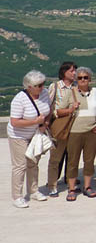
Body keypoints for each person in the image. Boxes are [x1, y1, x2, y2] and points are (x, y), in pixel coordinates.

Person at [8, 70, 51, 208]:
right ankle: (17, 196)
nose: (42, 87)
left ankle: (33, 190)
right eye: (38, 85)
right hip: (18, 135)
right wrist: (34, 122)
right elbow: (14, 121)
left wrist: (45, 124)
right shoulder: (19, 99)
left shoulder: (44, 94)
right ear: (29, 87)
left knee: (33, 163)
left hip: (35, 134)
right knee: (20, 165)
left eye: (43, 84)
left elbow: (48, 111)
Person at [58, 67, 96, 201]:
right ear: (76, 80)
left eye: (85, 77)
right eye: (80, 78)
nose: (83, 80)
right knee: (73, 161)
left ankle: (87, 187)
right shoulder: (70, 93)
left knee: (89, 160)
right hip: (75, 132)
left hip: (92, 131)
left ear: (90, 79)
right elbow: (59, 111)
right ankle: (71, 189)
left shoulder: (95, 92)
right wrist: (72, 108)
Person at [46, 61, 77, 197]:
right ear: (64, 72)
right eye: (71, 71)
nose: (74, 73)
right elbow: (49, 107)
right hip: (60, 124)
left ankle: (70, 180)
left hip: (74, 125)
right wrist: (64, 112)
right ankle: (52, 184)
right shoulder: (55, 87)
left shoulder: (76, 87)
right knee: (55, 157)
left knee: (72, 156)